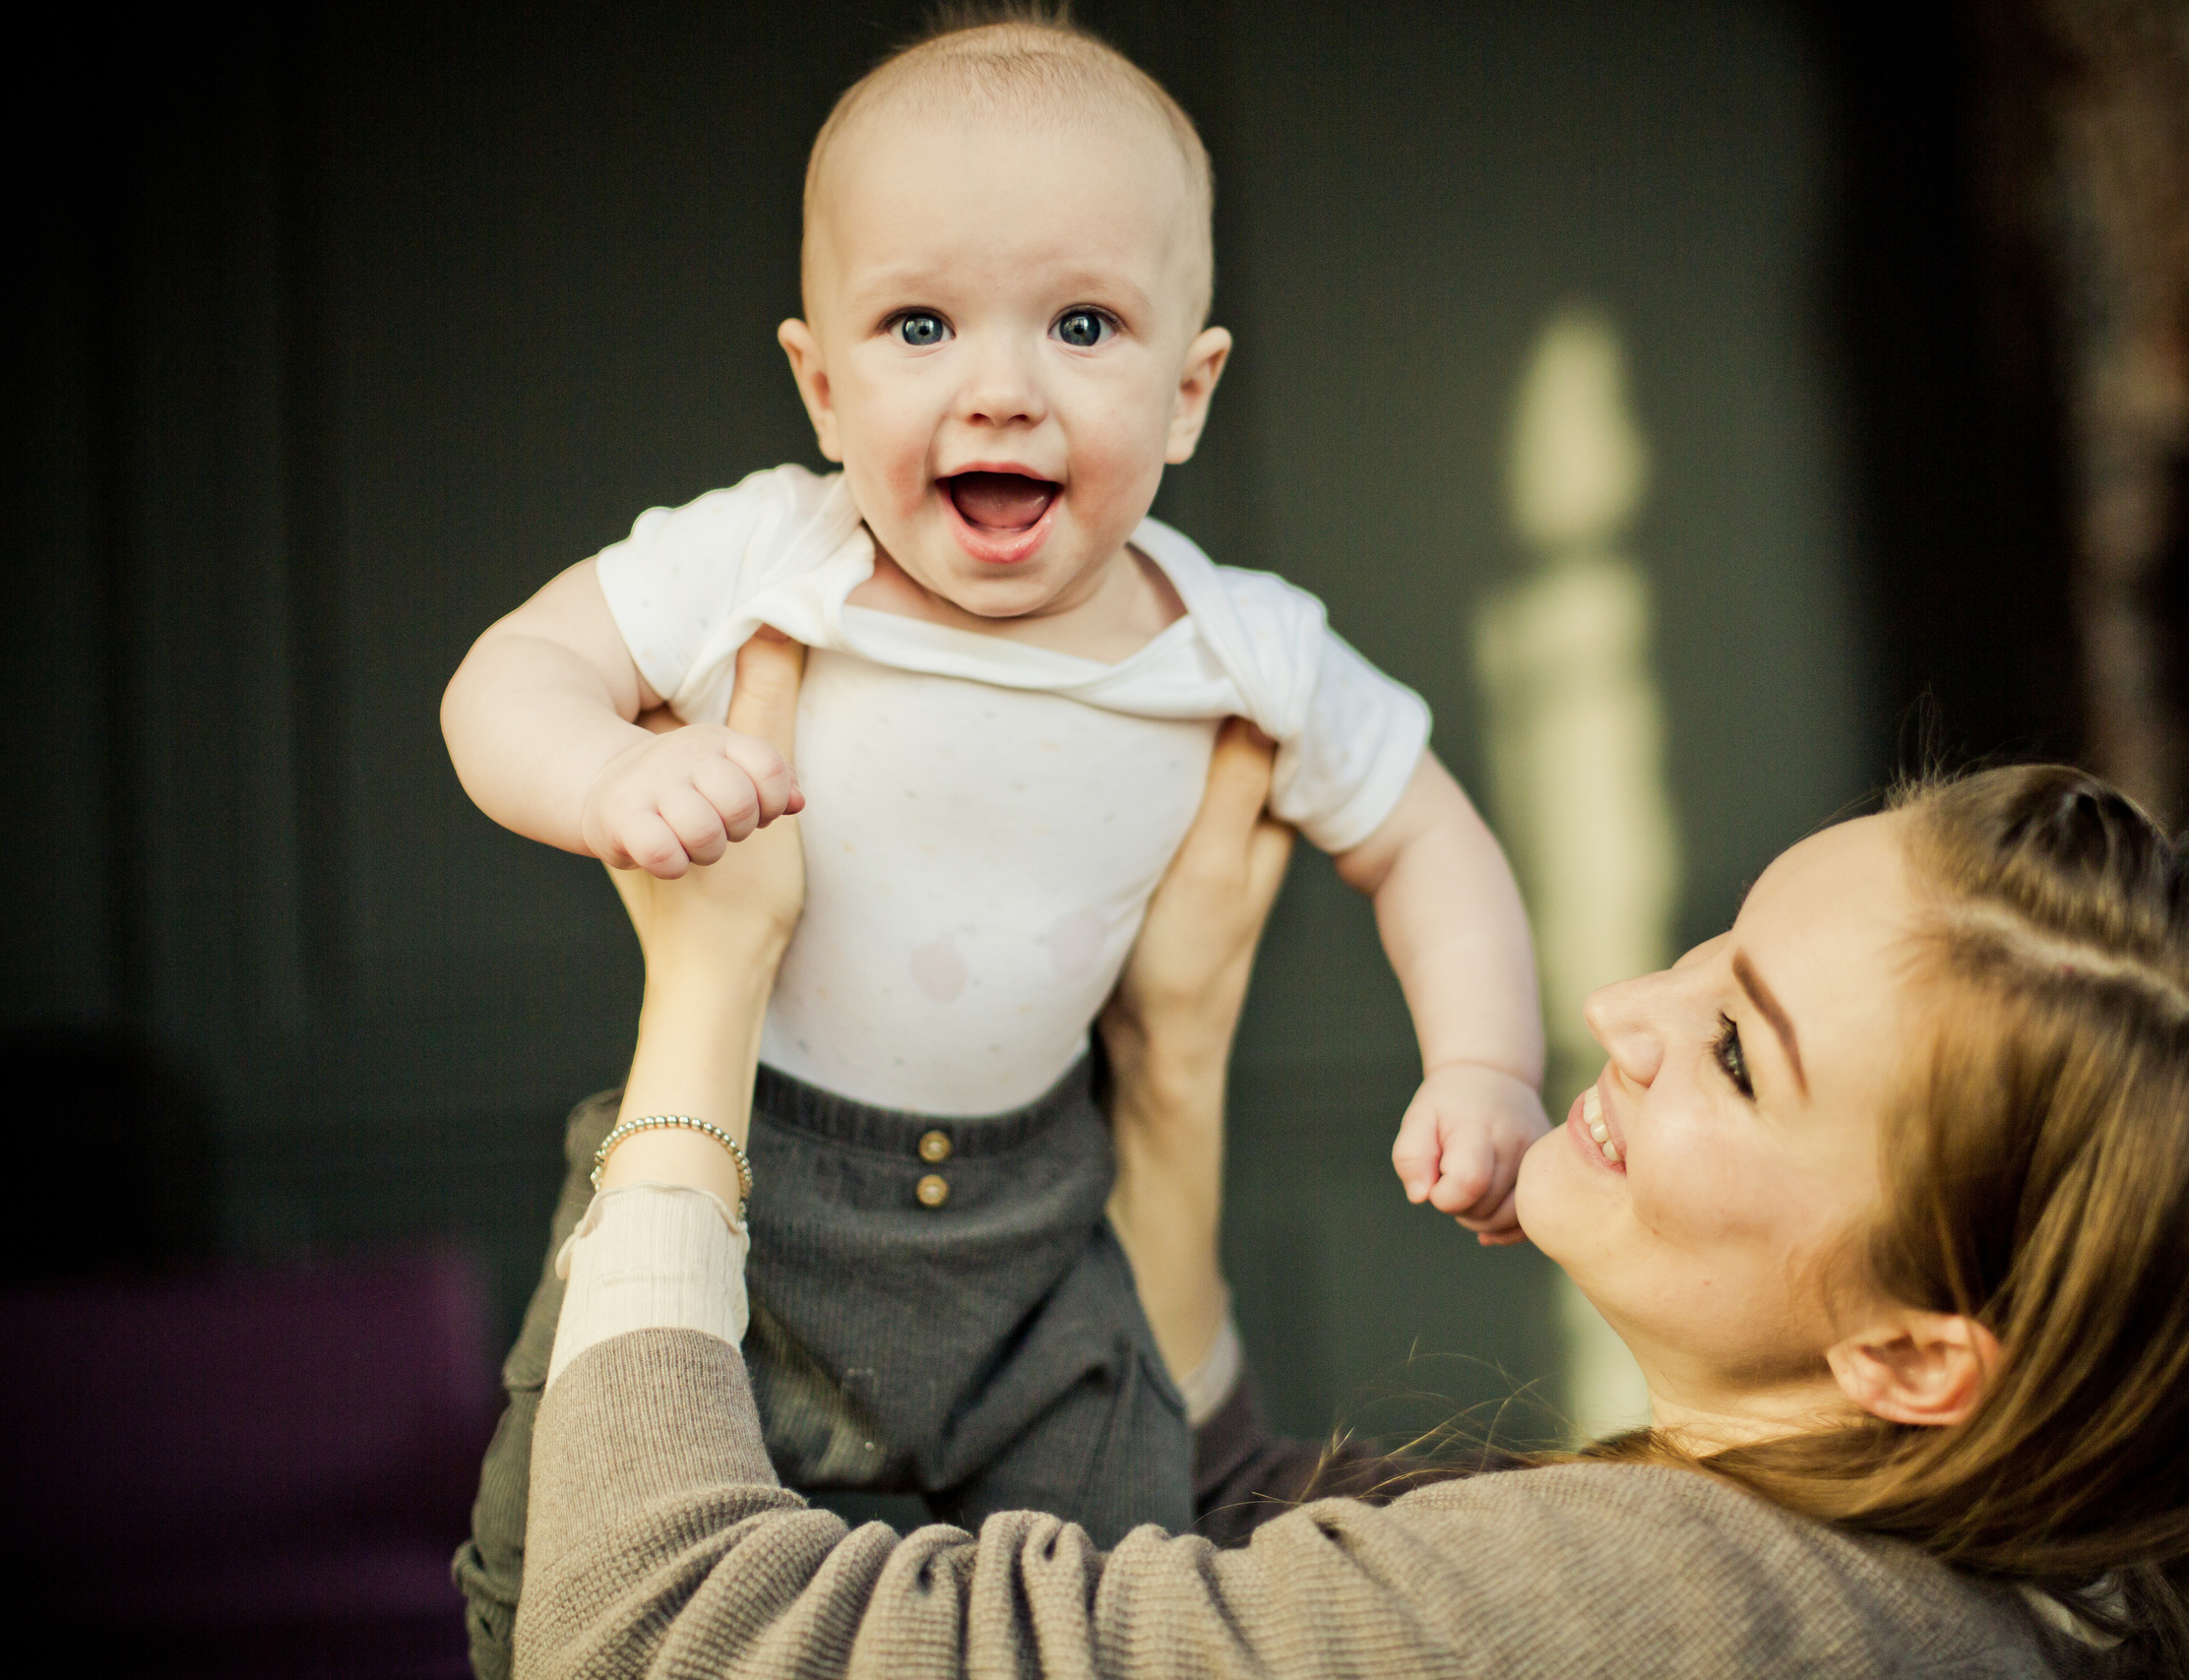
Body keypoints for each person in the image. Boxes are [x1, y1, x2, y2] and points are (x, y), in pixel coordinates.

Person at [509, 629, 2189, 1679]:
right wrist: (1173, 1078)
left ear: (1913, 1355)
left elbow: (659, 1636)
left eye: (1735, 1052)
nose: (1616, 1009)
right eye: (1710, 952)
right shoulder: (1969, 1596)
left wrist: (709, 1001)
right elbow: (1256, 1562)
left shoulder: (1684, 1623)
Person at [442, 11, 1547, 1667]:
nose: (1002, 388)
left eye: (1082, 323)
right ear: (820, 381)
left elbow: (1428, 839)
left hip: (1046, 1231)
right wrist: (608, 777)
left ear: (1189, 393)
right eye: (921, 322)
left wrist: (1487, 1067)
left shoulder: (1234, 640)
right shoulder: (766, 558)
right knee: (569, 1576)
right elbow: (503, 680)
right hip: (753, 1170)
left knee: (1111, 1584)